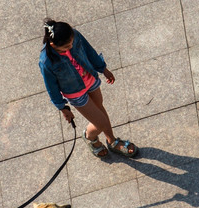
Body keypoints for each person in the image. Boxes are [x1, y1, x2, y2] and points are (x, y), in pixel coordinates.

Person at [39, 18, 138, 158]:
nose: (71, 46)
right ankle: (89, 136)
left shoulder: (74, 35)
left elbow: (89, 51)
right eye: (66, 47)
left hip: (90, 79)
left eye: (72, 43)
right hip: (75, 93)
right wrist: (62, 108)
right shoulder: (46, 61)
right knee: (101, 122)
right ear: (53, 44)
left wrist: (103, 69)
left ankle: (112, 141)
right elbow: (51, 87)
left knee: (101, 111)